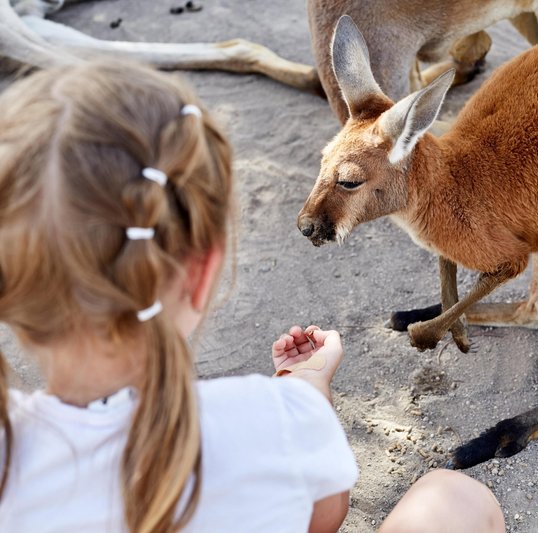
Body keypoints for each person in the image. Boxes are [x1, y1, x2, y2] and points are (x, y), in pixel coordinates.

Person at [0, 61, 504, 533]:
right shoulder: (265, 418)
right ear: (202, 277)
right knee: (452, 497)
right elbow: (324, 514)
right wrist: (307, 387)